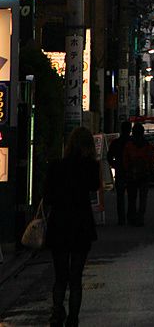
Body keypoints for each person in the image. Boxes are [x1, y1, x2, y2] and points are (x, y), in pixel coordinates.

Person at [43, 126, 101, 327]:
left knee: (60, 276)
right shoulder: (91, 167)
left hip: (59, 224)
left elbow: (47, 197)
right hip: (80, 225)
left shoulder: (56, 166)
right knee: (75, 276)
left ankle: (57, 312)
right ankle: (73, 319)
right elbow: (94, 187)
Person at [123, 122, 154, 226]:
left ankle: (131, 217)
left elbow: (125, 160)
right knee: (143, 198)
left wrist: (127, 171)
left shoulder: (129, 145)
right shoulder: (148, 146)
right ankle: (140, 217)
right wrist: (151, 171)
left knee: (132, 198)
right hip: (144, 175)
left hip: (131, 175)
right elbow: (153, 161)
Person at [107, 121, 131, 226]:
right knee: (132, 195)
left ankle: (121, 219)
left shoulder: (116, 142)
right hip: (131, 171)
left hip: (120, 170)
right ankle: (131, 216)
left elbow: (109, 156)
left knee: (120, 196)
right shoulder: (132, 142)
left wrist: (114, 164)